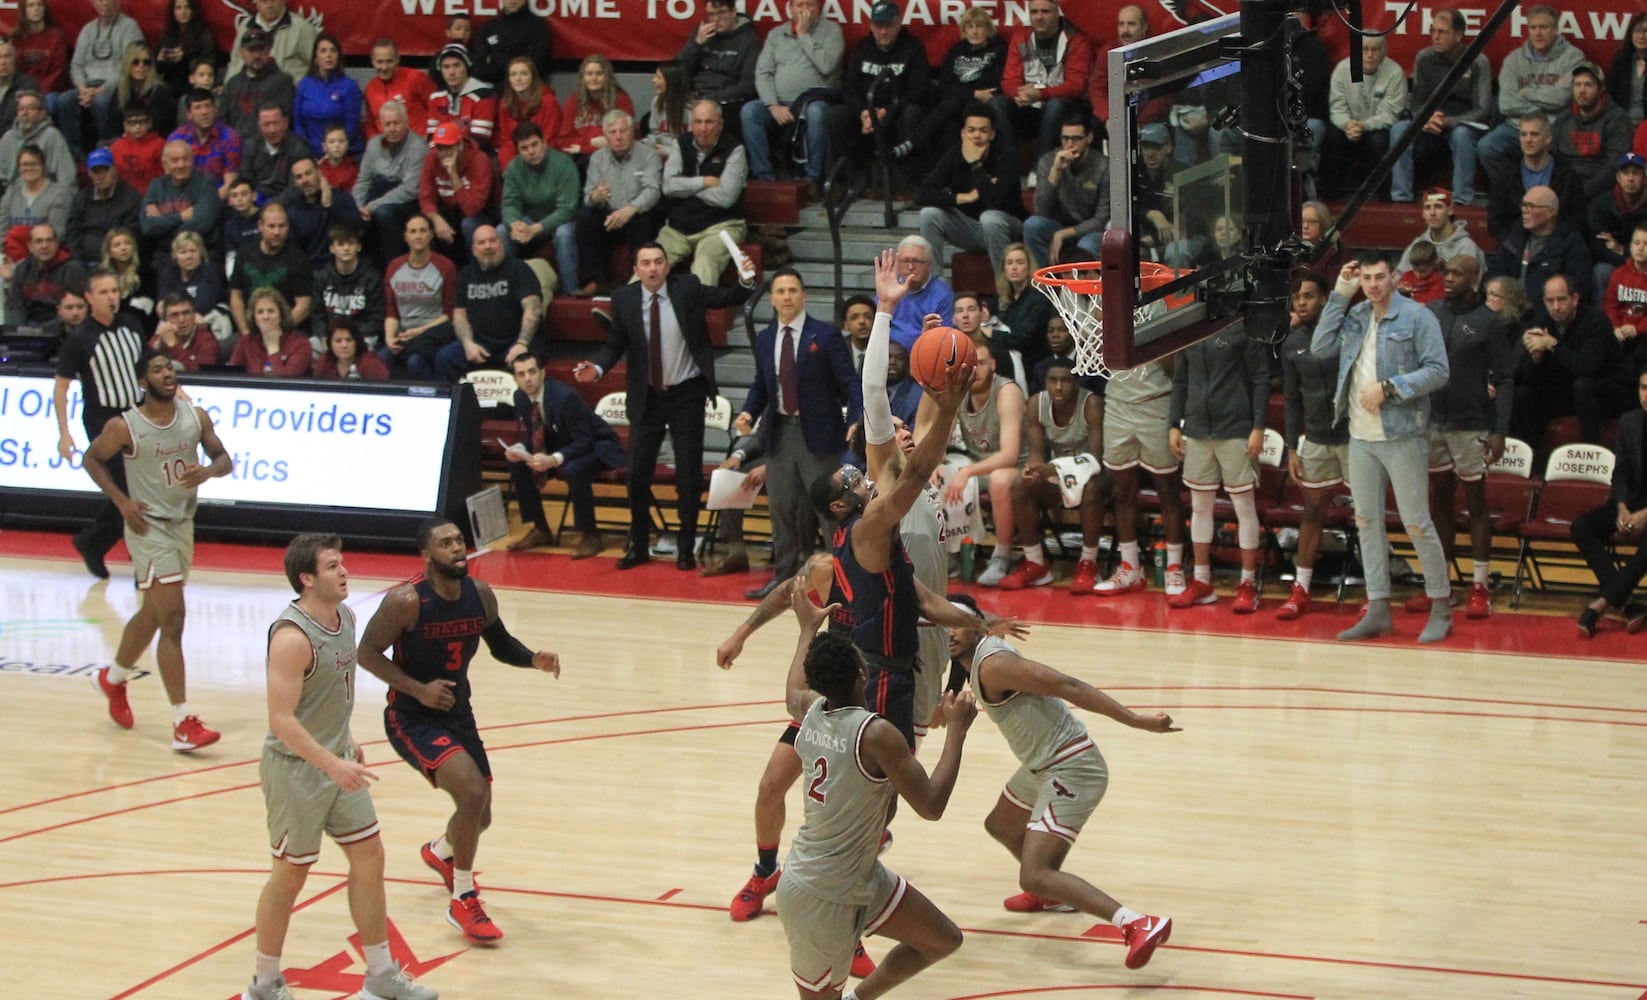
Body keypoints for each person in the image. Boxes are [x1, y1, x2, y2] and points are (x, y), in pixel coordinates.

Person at [244, 532, 439, 1000]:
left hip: (337, 762)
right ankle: (264, 984)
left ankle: (380, 974)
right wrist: (332, 762)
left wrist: (344, 740)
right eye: (332, 566)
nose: (344, 571)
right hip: (297, 770)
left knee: (370, 856)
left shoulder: (346, 617)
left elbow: (326, 697)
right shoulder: (291, 638)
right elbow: (281, 720)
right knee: (290, 875)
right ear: (307, 578)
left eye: (343, 562)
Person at [357, 518, 561, 946]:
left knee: (480, 813)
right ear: (427, 555)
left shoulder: (480, 595)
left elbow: (500, 643)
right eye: (445, 543)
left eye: (459, 541)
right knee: (470, 793)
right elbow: (367, 653)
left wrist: (532, 659)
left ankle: (443, 851)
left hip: (457, 713)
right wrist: (418, 689)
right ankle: (463, 897)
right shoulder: (406, 601)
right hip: (411, 717)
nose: (456, 548)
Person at [945, 591, 1177, 963]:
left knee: (1033, 873)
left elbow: (1067, 685)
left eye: (958, 624)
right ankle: (1054, 894)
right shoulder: (976, 651)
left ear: (974, 626)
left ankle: (1136, 923)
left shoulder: (994, 664)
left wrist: (1137, 721)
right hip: (1041, 764)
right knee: (1002, 825)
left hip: (1072, 766)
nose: (949, 633)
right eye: (944, 624)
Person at [773, 588, 975, 1000]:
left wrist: (807, 629)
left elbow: (793, 689)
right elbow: (932, 806)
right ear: (862, 674)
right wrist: (957, 731)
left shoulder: (810, 708)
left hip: (856, 875)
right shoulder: (876, 735)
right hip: (821, 892)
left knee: (941, 939)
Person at [573, 242, 757, 569]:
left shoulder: (687, 288)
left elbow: (730, 298)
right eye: (646, 263)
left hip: (687, 393)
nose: (653, 268)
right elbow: (615, 343)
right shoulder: (624, 299)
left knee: (687, 475)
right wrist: (598, 368)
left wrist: (744, 279)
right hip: (648, 396)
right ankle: (639, 547)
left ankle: (686, 549)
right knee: (637, 474)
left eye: (659, 261)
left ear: (667, 266)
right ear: (636, 269)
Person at [84, 346, 231, 751]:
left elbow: (225, 458)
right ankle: (183, 722)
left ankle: (112, 680)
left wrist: (210, 470)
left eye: (170, 367)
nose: (167, 373)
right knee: (173, 619)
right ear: (142, 382)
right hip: (148, 528)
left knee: (151, 614)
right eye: (158, 369)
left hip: (183, 525)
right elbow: (92, 460)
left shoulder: (194, 416)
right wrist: (121, 501)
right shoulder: (125, 426)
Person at [1312, 254, 1453, 643]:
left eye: (1379, 277)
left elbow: (1439, 371)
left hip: (1403, 433)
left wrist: (1390, 389)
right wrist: (1341, 291)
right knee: (1366, 522)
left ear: (1394, 277)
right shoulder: (1356, 315)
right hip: (1361, 436)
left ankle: (1441, 605)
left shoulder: (1417, 317)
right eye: (1367, 279)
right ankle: (1378, 608)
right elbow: (1320, 346)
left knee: (1415, 523)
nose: (1373, 284)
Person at [734, 267, 862, 598]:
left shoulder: (825, 334)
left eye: (793, 290)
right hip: (780, 432)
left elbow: (849, 381)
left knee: (830, 510)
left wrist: (857, 417)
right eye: (781, 291)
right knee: (781, 508)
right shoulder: (765, 338)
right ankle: (785, 579)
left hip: (820, 434)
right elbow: (761, 385)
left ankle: (842, 579)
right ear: (772, 299)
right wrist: (748, 411)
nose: (787, 296)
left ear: (804, 295)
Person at [1422, 255, 1513, 620]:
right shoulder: (1430, 312)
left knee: (1476, 504)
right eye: (1445, 271)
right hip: (1433, 422)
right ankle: (1442, 587)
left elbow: (1505, 378)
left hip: (1472, 423)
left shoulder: (1489, 322)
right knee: (1439, 503)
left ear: (1475, 278)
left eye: (1457, 273)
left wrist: (1500, 429)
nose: (1448, 277)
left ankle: (1479, 586)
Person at [1166, 322, 1269, 611]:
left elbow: (1261, 378)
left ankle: (1248, 583)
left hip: (1236, 428)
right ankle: (1202, 581)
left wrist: (1259, 426)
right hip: (1197, 430)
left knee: (1243, 506)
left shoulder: (1244, 328)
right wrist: (1174, 424)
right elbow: (1180, 381)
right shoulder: (1188, 329)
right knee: (1200, 506)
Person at [54, 270, 144, 579]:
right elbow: (61, 387)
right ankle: (141, 560)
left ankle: (92, 541)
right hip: (102, 420)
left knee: (132, 486)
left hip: (136, 414)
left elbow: (147, 366)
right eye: (104, 292)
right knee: (127, 486)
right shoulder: (80, 338)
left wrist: (177, 393)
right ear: (89, 298)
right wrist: (64, 434)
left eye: (114, 290)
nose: (111, 297)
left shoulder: (132, 326)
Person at [503, 353, 625, 556]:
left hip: (598, 446)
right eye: (521, 374)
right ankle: (540, 529)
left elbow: (585, 441)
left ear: (543, 373)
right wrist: (521, 450)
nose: (528, 378)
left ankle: (590, 534)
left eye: (532, 372)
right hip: (562, 444)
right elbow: (537, 435)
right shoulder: (520, 397)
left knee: (574, 469)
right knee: (518, 464)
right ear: (515, 379)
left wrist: (554, 459)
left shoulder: (564, 397)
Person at [999, 357, 1105, 592]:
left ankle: (1088, 562)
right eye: (1052, 380)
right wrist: (1033, 469)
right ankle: (1036, 562)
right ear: (1045, 382)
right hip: (1058, 476)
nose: (1058, 386)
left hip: (1091, 476)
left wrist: (1052, 468)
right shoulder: (1037, 403)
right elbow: (1036, 453)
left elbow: (1095, 460)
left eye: (1065, 381)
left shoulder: (1091, 404)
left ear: (1076, 383)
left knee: (1093, 487)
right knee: (1020, 484)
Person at [943, 338, 1027, 587]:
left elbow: (1009, 455)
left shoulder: (1007, 392)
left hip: (1016, 468)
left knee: (999, 480)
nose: (974, 370)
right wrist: (935, 463)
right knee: (937, 474)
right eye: (968, 365)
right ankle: (950, 554)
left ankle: (1002, 556)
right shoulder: (959, 391)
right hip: (978, 465)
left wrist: (968, 470)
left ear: (992, 364)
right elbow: (941, 437)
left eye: (979, 363)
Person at [1389, 9, 1493, 206]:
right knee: (1399, 129)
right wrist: (1424, 119)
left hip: (1463, 119)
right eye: (1433, 31)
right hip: (1431, 118)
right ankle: (1400, 198)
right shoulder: (1424, 58)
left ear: (1459, 35)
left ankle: (1463, 200)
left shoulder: (1478, 61)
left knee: (1462, 135)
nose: (1435, 37)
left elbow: (1483, 109)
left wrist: (1449, 122)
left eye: (1442, 32)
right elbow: (1417, 102)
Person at [1572, 367, 1647, 637]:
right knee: (1581, 526)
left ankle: (1601, 604)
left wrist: (1644, 515)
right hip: (1631, 503)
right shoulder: (1630, 422)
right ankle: (1627, 604)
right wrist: (1622, 508)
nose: (1646, 395)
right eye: (1643, 388)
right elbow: (1621, 474)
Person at [828, 0, 931, 191]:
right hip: (867, 110)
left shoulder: (912, 47)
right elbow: (850, 87)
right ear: (870, 26)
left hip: (898, 109)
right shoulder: (862, 47)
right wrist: (864, 113)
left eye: (888, 26)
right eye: (878, 26)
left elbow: (919, 89)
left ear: (898, 24)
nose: (883, 31)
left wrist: (887, 111)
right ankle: (846, 182)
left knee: (913, 113)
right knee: (836, 116)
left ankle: (906, 184)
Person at [742, 0, 843, 194]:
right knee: (750, 111)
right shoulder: (776, 34)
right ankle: (764, 178)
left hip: (815, 100)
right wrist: (772, 105)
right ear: (790, 9)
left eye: (810, 5)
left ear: (819, 9)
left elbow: (827, 65)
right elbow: (763, 73)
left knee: (816, 112)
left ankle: (812, 178)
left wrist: (803, 34)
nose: (805, 9)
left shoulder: (832, 31)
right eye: (799, 5)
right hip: (780, 103)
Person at [559, 109, 662, 297]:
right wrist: (596, 197)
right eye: (613, 133)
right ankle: (596, 281)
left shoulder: (648, 155)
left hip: (636, 214)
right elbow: (588, 195)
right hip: (609, 216)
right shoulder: (598, 158)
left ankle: (636, 280)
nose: (619, 137)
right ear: (605, 136)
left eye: (623, 131)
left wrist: (630, 209)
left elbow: (653, 191)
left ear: (632, 132)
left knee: (645, 217)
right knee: (585, 215)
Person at [1476, 5, 1584, 178]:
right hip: (1516, 126)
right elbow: (1506, 104)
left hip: (1553, 127)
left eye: (1544, 27)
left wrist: (1526, 91)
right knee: (1487, 147)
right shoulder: (1514, 59)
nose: (1538, 33)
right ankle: (1513, 190)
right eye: (1533, 27)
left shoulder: (1573, 57)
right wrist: (1545, 102)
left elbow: (1563, 97)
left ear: (1555, 29)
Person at [915, 102, 1022, 275]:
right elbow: (921, 193)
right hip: (971, 228)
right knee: (929, 214)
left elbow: (995, 201)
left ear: (992, 134)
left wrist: (976, 164)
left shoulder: (1006, 154)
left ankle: (1005, 291)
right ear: (963, 133)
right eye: (971, 130)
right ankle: (933, 287)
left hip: (1007, 226)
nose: (976, 136)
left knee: (990, 218)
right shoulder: (956, 153)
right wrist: (960, 198)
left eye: (983, 131)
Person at [657, 99, 749, 287]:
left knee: (704, 263)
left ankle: (695, 315)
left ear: (720, 124)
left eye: (709, 122)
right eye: (698, 122)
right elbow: (667, 186)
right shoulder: (680, 144)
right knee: (651, 261)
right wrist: (704, 182)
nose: (703, 128)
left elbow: (725, 198)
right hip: (678, 227)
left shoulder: (735, 149)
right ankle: (626, 314)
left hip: (721, 225)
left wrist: (685, 188)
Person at [438, 224, 544, 383]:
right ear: (473, 249)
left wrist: (522, 344)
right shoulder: (466, 275)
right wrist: (468, 344)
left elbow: (532, 310)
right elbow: (459, 317)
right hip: (481, 342)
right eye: (481, 243)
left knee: (524, 363)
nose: (488, 246)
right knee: (445, 358)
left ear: (501, 244)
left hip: (516, 339)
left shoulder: (519, 269)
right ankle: (463, 406)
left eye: (492, 240)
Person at [990, 0, 1093, 156]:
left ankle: (1041, 169)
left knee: (1055, 105)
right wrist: (1020, 93)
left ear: (1057, 12)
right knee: (997, 103)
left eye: (1045, 12)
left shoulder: (1075, 41)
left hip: (1063, 107)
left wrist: (1040, 94)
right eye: (1034, 12)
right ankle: (1008, 164)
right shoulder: (1021, 38)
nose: (1039, 17)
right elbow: (1009, 79)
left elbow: (1076, 85)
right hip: (1028, 104)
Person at [1320, 34, 1406, 199]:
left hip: (1377, 127)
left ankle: (1382, 197)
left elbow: (1390, 113)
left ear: (1383, 52)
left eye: (1375, 49)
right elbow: (1337, 108)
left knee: (1379, 142)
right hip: (1347, 125)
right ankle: (1332, 197)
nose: (1370, 54)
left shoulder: (1395, 72)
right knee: (1331, 138)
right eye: (1365, 49)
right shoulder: (1342, 70)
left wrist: (1364, 126)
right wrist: (1348, 124)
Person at [1024, 111, 1108, 268]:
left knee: (1087, 246)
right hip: (1057, 225)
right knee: (1032, 225)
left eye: (1076, 139)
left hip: (1090, 230)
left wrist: (1064, 233)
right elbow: (1041, 210)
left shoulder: (1103, 167)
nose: (1069, 144)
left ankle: (1086, 292)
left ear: (1088, 138)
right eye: (1065, 138)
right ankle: (1047, 285)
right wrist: (1056, 171)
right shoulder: (1049, 161)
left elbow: (1101, 220)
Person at [918, 7, 1007, 154]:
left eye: (979, 26)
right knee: (951, 125)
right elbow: (944, 85)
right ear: (964, 30)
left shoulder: (998, 49)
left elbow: (992, 84)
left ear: (988, 29)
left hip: (982, 104)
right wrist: (972, 93)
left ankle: (914, 141)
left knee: (954, 105)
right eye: (970, 26)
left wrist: (968, 94)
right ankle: (951, 171)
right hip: (960, 101)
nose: (974, 31)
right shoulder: (956, 50)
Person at [60, 0, 143, 156]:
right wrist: (83, 88)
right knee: (64, 101)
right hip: (87, 86)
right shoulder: (88, 29)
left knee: (102, 100)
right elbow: (76, 65)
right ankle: (75, 155)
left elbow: (130, 65)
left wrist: (100, 90)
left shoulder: (130, 27)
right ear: (93, 4)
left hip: (115, 86)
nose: (105, 3)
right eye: (100, 0)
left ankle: (106, 149)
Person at [381, 213, 458, 379]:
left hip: (433, 334)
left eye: (423, 231)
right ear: (405, 237)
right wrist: (389, 338)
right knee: (381, 358)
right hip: (403, 335)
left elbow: (449, 314)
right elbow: (392, 312)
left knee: (415, 362)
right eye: (413, 231)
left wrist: (419, 331)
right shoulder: (394, 267)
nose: (418, 236)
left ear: (431, 235)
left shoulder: (445, 267)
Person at [353, 100, 428, 263]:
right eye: (387, 124)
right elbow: (363, 181)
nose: (392, 129)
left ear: (406, 123)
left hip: (406, 202)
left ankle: (393, 266)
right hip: (375, 197)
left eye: (396, 123)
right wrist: (357, 207)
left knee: (384, 214)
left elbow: (410, 189)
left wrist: (372, 207)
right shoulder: (373, 144)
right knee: (349, 215)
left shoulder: (418, 147)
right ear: (380, 125)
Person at [499, 120, 578, 273]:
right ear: (518, 151)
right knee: (502, 231)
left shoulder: (564, 164)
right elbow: (509, 204)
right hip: (530, 219)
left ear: (544, 143)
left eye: (535, 145)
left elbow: (567, 210)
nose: (531, 151)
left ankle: (571, 291)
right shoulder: (514, 168)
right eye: (524, 148)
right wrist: (514, 223)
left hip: (561, 221)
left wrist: (535, 229)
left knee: (564, 234)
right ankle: (507, 287)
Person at [229, 202, 314, 343]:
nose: (277, 232)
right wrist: (245, 332)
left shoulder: (298, 258)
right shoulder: (244, 254)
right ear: (260, 226)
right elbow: (236, 296)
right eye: (271, 226)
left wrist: (276, 333)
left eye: (282, 226)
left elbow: (303, 305)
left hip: (287, 332)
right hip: (251, 332)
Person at [419, 120, 498, 262]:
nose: (443, 153)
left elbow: (472, 209)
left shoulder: (479, 160)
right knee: (424, 221)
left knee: (468, 224)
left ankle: (476, 271)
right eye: (440, 148)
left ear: (460, 145)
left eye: (448, 147)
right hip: (450, 211)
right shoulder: (432, 158)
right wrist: (436, 219)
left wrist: (453, 174)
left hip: (482, 214)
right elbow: (426, 197)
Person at [676, 0, 760, 133]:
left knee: (709, 117)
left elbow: (747, 87)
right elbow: (678, 70)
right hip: (695, 95)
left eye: (721, 13)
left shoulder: (750, 41)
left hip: (726, 100)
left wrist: (711, 99)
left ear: (733, 12)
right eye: (711, 14)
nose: (715, 19)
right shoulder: (701, 33)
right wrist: (697, 44)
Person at [1553, 62, 1634, 199]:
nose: (1582, 90)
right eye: (1577, 85)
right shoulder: (1563, 119)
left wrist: (1584, 192)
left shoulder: (1618, 119)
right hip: (1566, 185)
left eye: (1588, 85)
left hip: (1601, 189)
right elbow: (1553, 158)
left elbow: (1614, 165)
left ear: (1601, 89)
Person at [219, 28, 297, 142]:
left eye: (261, 49)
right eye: (251, 50)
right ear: (242, 53)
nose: (257, 55)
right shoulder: (233, 84)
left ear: (269, 50)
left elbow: (285, 123)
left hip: (269, 147)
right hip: (235, 148)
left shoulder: (283, 82)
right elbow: (222, 122)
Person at [311, 223, 383, 346]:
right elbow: (317, 316)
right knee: (311, 345)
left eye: (351, 243)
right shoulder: (321, 277)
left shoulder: (372, 278)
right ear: (331, 248)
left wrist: (351, 337)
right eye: (340, 244)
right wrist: (324, 335)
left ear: (359, 247)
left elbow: (376, 319)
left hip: (362, 336)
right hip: (329, 336)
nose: (346, 248)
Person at [280, 156, 358, 267]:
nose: (304, 180)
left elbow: (358, 226)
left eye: (308, 173)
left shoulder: (341, 198)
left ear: (319, 174)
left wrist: (329, 206)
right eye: (299, 177)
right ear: (295, 183)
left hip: (343, 266)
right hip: (312, 271)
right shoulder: (293, 212)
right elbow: (294, 252)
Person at [67, 146, 140, 265]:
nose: (101, 176)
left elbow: (131, 236)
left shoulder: (130, 198)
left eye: (105, 170)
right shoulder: (81, 198)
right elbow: (73, 234)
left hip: (119, 263)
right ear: (89, 174)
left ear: (114, 170)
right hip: (86, 262)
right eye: (96, 171)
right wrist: (77, 262)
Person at [293, 33, 362, 157]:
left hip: (340, 153)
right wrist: (305, 150)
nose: (328, 55)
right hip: (309, 152)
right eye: (323, 51)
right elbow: (298, 124)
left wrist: (334, 150)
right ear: (315, 58)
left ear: (338, 57)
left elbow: (351, 126)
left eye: (333, 51)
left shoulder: (349, 86)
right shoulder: (304, 84)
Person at [879, 235, 952, 349]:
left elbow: (945, 338)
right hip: (888, 354)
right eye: (905, 261)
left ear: (929, 264)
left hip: (924, 355)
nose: (910, 267)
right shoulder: (890, 287)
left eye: (917, 261)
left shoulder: (944, 295)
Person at [554, 54, 633, 159]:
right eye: (589, 74)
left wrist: (583, 147)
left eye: (599, 73)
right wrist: (591, 143)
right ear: (583, 77)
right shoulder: (574, 100)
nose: (594, 78)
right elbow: (564, 140)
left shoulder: (621, 99)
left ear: (607, 76)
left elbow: (624, 139)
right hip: (579, 156)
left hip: (611, 156)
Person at [168, 87, 240, 199]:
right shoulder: (177, 138)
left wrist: (204, 206)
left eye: (208, 106)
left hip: (219, 201)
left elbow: (230, 184)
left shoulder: (230, 137)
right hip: (183, 200)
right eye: (197, 108)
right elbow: (170, 178)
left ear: (215, 109)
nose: (204, 112)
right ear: (189, 114)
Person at [6, 221, 83, 325]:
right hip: (29, 324)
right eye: (38, 241)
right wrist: (19, 332)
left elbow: (73, 311)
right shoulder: (23, 268)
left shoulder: (73, 269)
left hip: (61, 328)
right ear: (30, 246)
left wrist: (40, 332)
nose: (44, 246)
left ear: (56, 243)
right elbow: (16, 305)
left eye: (49, 240)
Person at [494, 57, 561, 170]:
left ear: (533, 78)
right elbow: (506, 140)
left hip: (546, 155)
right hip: (518, 156)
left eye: (524, 74)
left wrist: (533, 157)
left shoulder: (548, 102)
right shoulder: (504, 104)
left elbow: (550, 138)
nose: (518, 78)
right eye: (513, 75)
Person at [363, 39, 434, 145]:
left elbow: (438, 109)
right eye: (379, 62)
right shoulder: (370, 88)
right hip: (387, 151)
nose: (384, 67)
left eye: (389, 61)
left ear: (397, 59)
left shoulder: (416, 78)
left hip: (419, 147)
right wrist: (377, 144)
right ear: (372, 61)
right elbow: (370, 124)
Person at [228, 0, 318, 83]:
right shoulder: (245, 26)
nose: (269, 5)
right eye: (264, 1)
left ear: (283, 1)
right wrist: (228, 87)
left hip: (290, 94)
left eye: (274, 0)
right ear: (255, 2)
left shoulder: (302, 28)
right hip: (251, 94)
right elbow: (235, 62)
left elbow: (317, 65)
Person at [230, 286, 312, 376]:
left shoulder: (301, 345)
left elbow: (286, 383)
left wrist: (273, 348)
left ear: (281, 315)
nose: (265, 317)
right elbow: (232, 375)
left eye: (271, 311)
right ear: (254, 317)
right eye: (260, 312)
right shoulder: (246, 342)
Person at [427, 43, 496, 149]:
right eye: (446, 67)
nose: (451, 72)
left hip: (474, 156)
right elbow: (432, 136)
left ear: (466, 67)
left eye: (457, 65)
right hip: (443, 154)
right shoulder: (435, 98)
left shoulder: (484, 95)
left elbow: (480, 140)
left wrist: (452, 155)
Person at [101, 41, 174, 142]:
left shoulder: (160, 90)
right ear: (128, 63)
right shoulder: (121, 90)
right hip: (124, 140)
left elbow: (155, 126)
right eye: (135, 62)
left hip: (153, 141)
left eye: (146, 62)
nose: (141, 66)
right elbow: (111, 126)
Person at [0, 88, 73, 186]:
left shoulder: (52, 136)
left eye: (30, 108)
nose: (25, 113)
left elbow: (67, 177)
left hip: (44, 195)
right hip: (11, 196)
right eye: (21, 109)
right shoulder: (8, 138)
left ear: (42, 113)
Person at [241, 101, 312, 202]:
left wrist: (272, 205)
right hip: (255, 202)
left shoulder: (298, 148)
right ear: (259, 126)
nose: (272, 130)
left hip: (287, 204)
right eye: (266, 124)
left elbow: (295, 188)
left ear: (285, 123)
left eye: (276, 123)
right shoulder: (250, 146)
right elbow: (245, 179)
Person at [470, 0, 552, 87]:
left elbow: (533, 65)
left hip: (528, 90)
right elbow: (479, 68)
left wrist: (494, 57)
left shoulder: (538, 26)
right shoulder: (489, 27)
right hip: (494, 90)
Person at [154, 0, 217, 97]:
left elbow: (210, 62)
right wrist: (161, 61)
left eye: (187, 7)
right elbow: (159, 70)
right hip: (171, 85)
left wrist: (184, 58)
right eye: (178, 8)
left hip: (194, 86)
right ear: (173, 11)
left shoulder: (204, 34)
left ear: (193, 10)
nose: (183, 12)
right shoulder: (166, 35)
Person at [150, 291, 221, 371]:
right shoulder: (162, 336)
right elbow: (145, 369)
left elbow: (198, 375)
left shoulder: (207, 341)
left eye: (186, 313)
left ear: (194, 315)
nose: (181, 320)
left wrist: (174, 346)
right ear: (166, 319)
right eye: (174, 315)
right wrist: (158, 346)